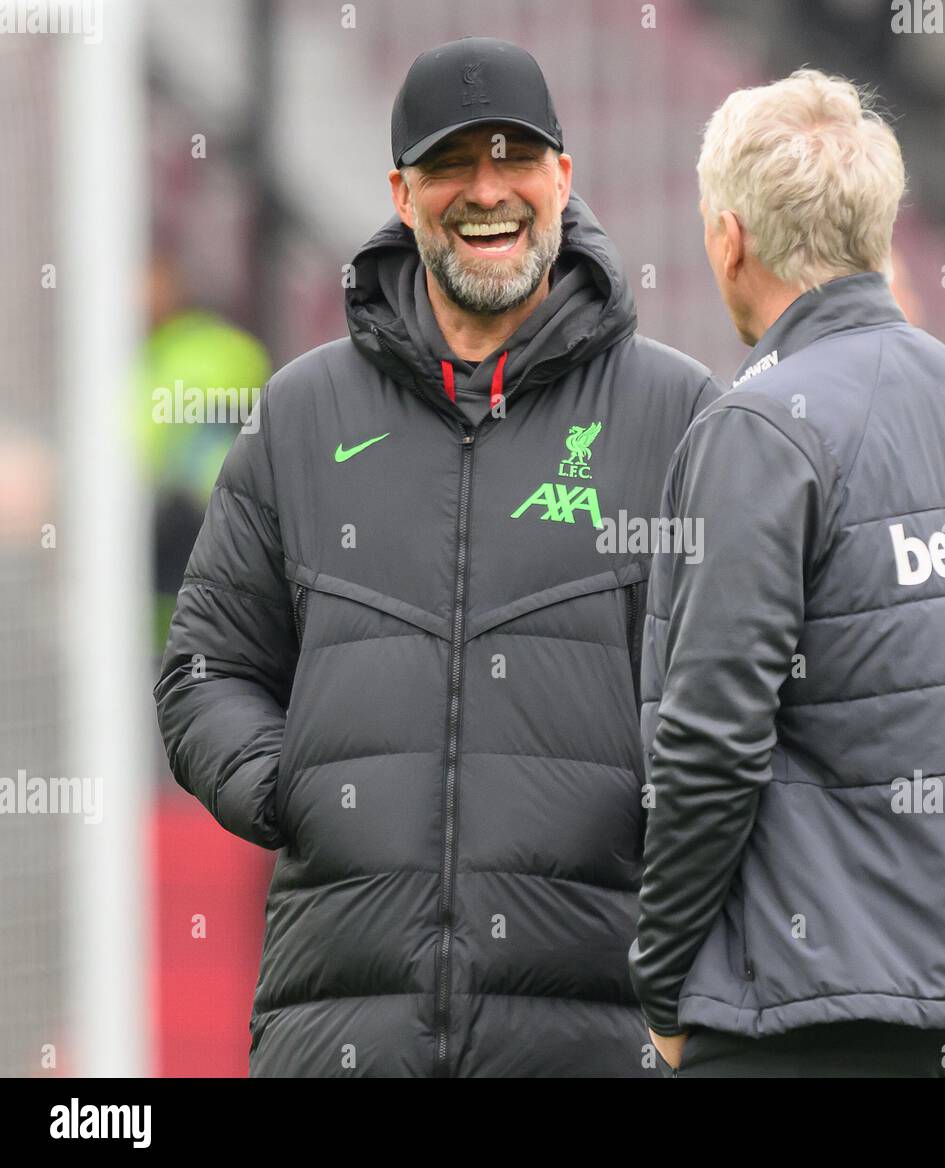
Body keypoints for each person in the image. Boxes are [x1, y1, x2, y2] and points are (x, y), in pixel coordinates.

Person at [154, 36, 719, 1077]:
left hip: (596, 1031)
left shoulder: (680, 416)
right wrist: (295, 787)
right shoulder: (299, 415)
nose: (486, 191)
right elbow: (203, 668)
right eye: (451, 164)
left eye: (514, 159)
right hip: (339, 1030)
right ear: (402, 194)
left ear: (564, 174)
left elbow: (745, 690)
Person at [629, 69, 945, 1078]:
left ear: (728, 237)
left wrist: (661, 969)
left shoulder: (760, 426)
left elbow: (712, 736)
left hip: (825, 993)